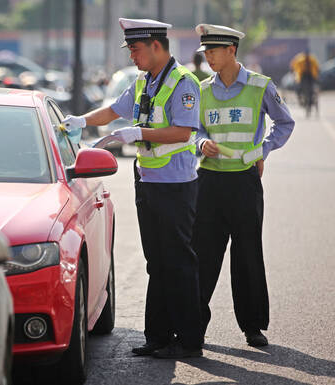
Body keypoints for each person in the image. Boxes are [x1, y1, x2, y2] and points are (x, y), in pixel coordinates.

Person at [62, 18, 203, 358]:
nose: (132, 57)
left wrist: (139, 133)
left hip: (175, 184)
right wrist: (81, 120)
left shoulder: (183, 82)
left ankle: (188, 340)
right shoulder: (145, 81)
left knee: (178, 261)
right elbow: (113, 111)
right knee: (156, 261)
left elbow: (184, 132)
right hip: (147, 180)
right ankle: (157, 336)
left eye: (136, 50)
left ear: (157, 46)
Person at [193, 24, 295, 347]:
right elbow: (192, 130)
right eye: (205, 52)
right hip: (209, 181)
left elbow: (285, 122)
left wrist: (262, 149)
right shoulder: (201, 90)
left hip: (244, 181)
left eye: (212, 51)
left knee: (247, 252)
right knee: (203, 253)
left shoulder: (260, 86)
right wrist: (201, 143)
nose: (207, 57)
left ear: (231, 50)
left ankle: (252, 326)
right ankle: (193, 323)